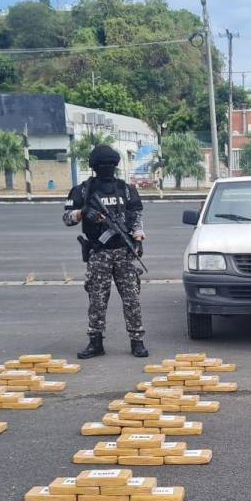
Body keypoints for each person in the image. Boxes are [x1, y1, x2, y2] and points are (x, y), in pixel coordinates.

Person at [63, 145, 148, 359]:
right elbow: (67, 218)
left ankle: (137, 341)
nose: (106, 168)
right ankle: (96, 342)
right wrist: (83, 213)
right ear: (94, 167)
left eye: (110, 165)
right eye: (103, 165)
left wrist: (138, 239)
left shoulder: (126, 189)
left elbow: (136, 217)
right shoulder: (83, 190)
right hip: (99, 252)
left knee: (132, 298)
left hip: (124, 251)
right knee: (97, 299)